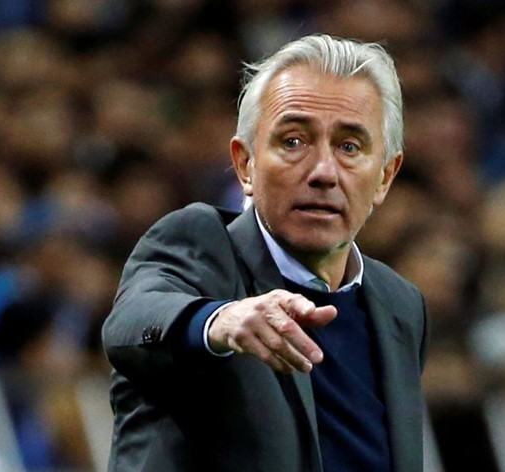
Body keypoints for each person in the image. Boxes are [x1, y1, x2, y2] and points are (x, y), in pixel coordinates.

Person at [101, 33, 429, 472]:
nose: (324, 171)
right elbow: (131, 322)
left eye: (349, 147)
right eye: (293, 141)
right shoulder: (199, 244)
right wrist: (219, 321)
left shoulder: (401, 306)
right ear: (245, 164)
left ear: (385, 176)